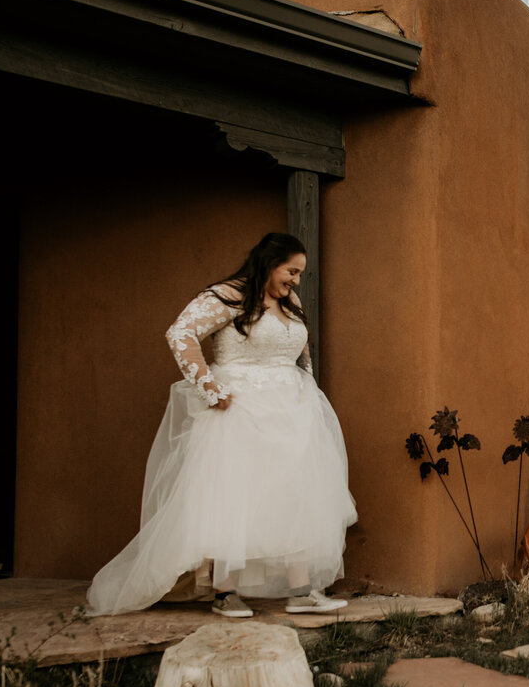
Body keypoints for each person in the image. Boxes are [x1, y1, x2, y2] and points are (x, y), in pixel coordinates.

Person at [86, 233, 357, 617]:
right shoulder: (227, 296)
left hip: (292, 413)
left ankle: (301, 591)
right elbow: (180, 334)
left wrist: (308, 388)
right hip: (240, 412)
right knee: (234, 496)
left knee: (293, 496)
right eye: (291, 271)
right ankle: (225, 593)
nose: (296, 280)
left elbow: (300, 353)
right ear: (269, 262)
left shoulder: (290, 303)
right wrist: (209, 388)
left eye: (299, 274)